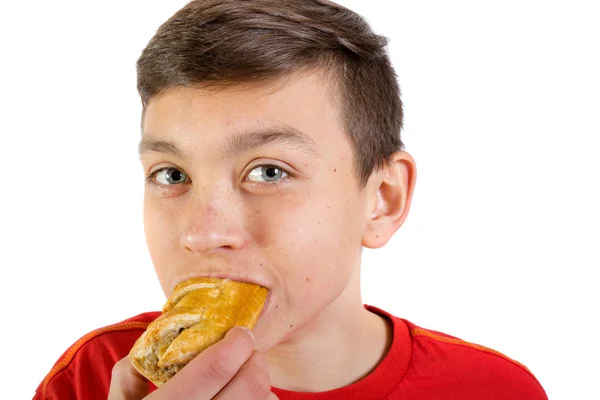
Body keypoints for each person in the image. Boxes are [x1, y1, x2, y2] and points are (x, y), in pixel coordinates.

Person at [34, 0, 548, 399]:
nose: (204, 232)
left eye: (269, 171)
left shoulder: (496, 391)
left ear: (383, 199)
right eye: (172, 174)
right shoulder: (90, 380)